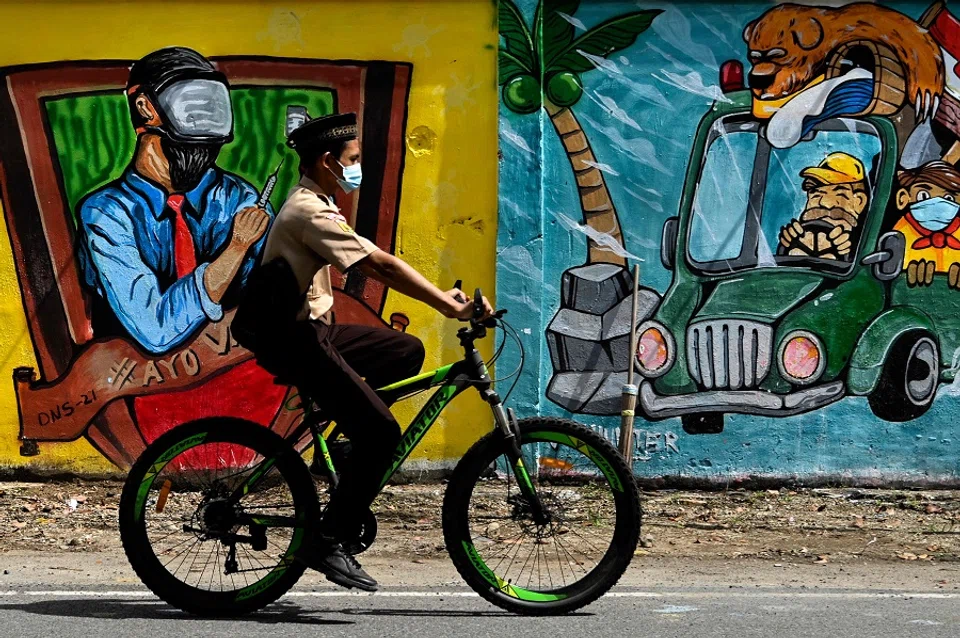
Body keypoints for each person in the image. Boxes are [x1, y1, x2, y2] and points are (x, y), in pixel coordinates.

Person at [235, 112, 492, 592]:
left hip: (310, 330)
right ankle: (327, 537)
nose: (359, 169)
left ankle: (342, 446)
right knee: (382, 433)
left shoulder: (319, 202)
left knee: (404, 352)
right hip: (293, 340)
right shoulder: (308, 211)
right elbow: (381, 265)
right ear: (328, 161)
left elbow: (373, 256)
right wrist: (444, 303)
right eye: (353, 160)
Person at [74, 46, 282, 444]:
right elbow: (155, 329)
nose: (202, 152)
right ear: (146, 109)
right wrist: (235, 249)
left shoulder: (238, 198)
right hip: (143, 398)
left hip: (243, 397)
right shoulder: (105, 214)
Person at [777, 152, 870, 261]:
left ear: (859, 201)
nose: (824, 203)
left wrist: (850, 251)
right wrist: (788, 246)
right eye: (817, 195)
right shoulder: (798, 238)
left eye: (839, 194)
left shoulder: (867, 243)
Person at [893, 161, 960, 288]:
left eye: (949, 198)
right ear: (903, 197)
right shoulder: (901, 232)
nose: (937, 205)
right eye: (923, 195)